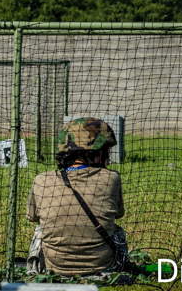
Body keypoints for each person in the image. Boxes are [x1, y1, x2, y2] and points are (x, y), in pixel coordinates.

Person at [26, 117, 128, 277]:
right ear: (96, 151)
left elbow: (32, 217)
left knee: (40, 229)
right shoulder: (111, 179)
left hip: (53, 267)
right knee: (117, 231)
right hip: (102, 266)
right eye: (105, 151)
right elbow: (119, 214)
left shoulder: (42, 180)